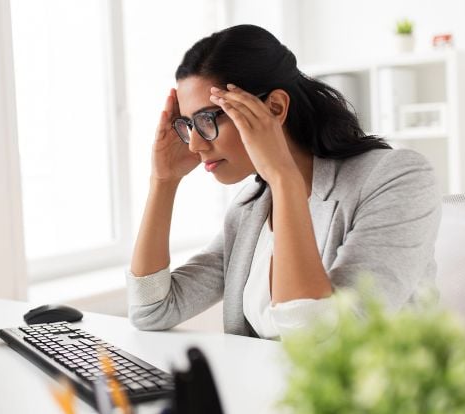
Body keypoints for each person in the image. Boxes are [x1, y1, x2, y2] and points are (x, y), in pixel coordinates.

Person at [126, 24, 441, 340]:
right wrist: (162, 181)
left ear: (274, 108)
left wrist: (283, 177)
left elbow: (324, 339)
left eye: (207, 119)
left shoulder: (397, 177)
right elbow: (152, 310)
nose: (194, 144)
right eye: (187, 125)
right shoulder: (251, 209)